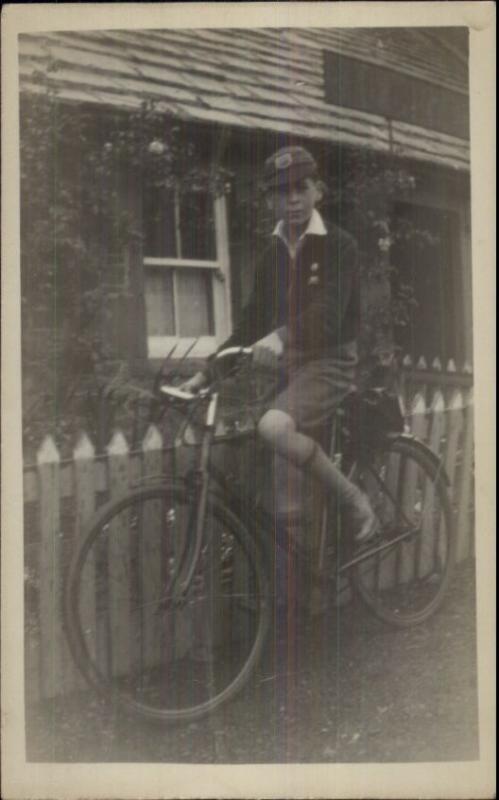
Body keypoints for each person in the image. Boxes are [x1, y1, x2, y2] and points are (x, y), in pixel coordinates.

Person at [181, 145, 377, 545]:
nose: (291, 199)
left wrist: (279, 336)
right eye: (280, 192)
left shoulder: (339, 245)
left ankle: (355, 499)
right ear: (270, 199)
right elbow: (250, 323)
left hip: (331, 362)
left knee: (272, 426)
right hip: (290, 365)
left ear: (317, 191)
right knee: (245, 442)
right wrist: (206, 372)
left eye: (300, 188)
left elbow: (329, 315)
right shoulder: (272, 253)